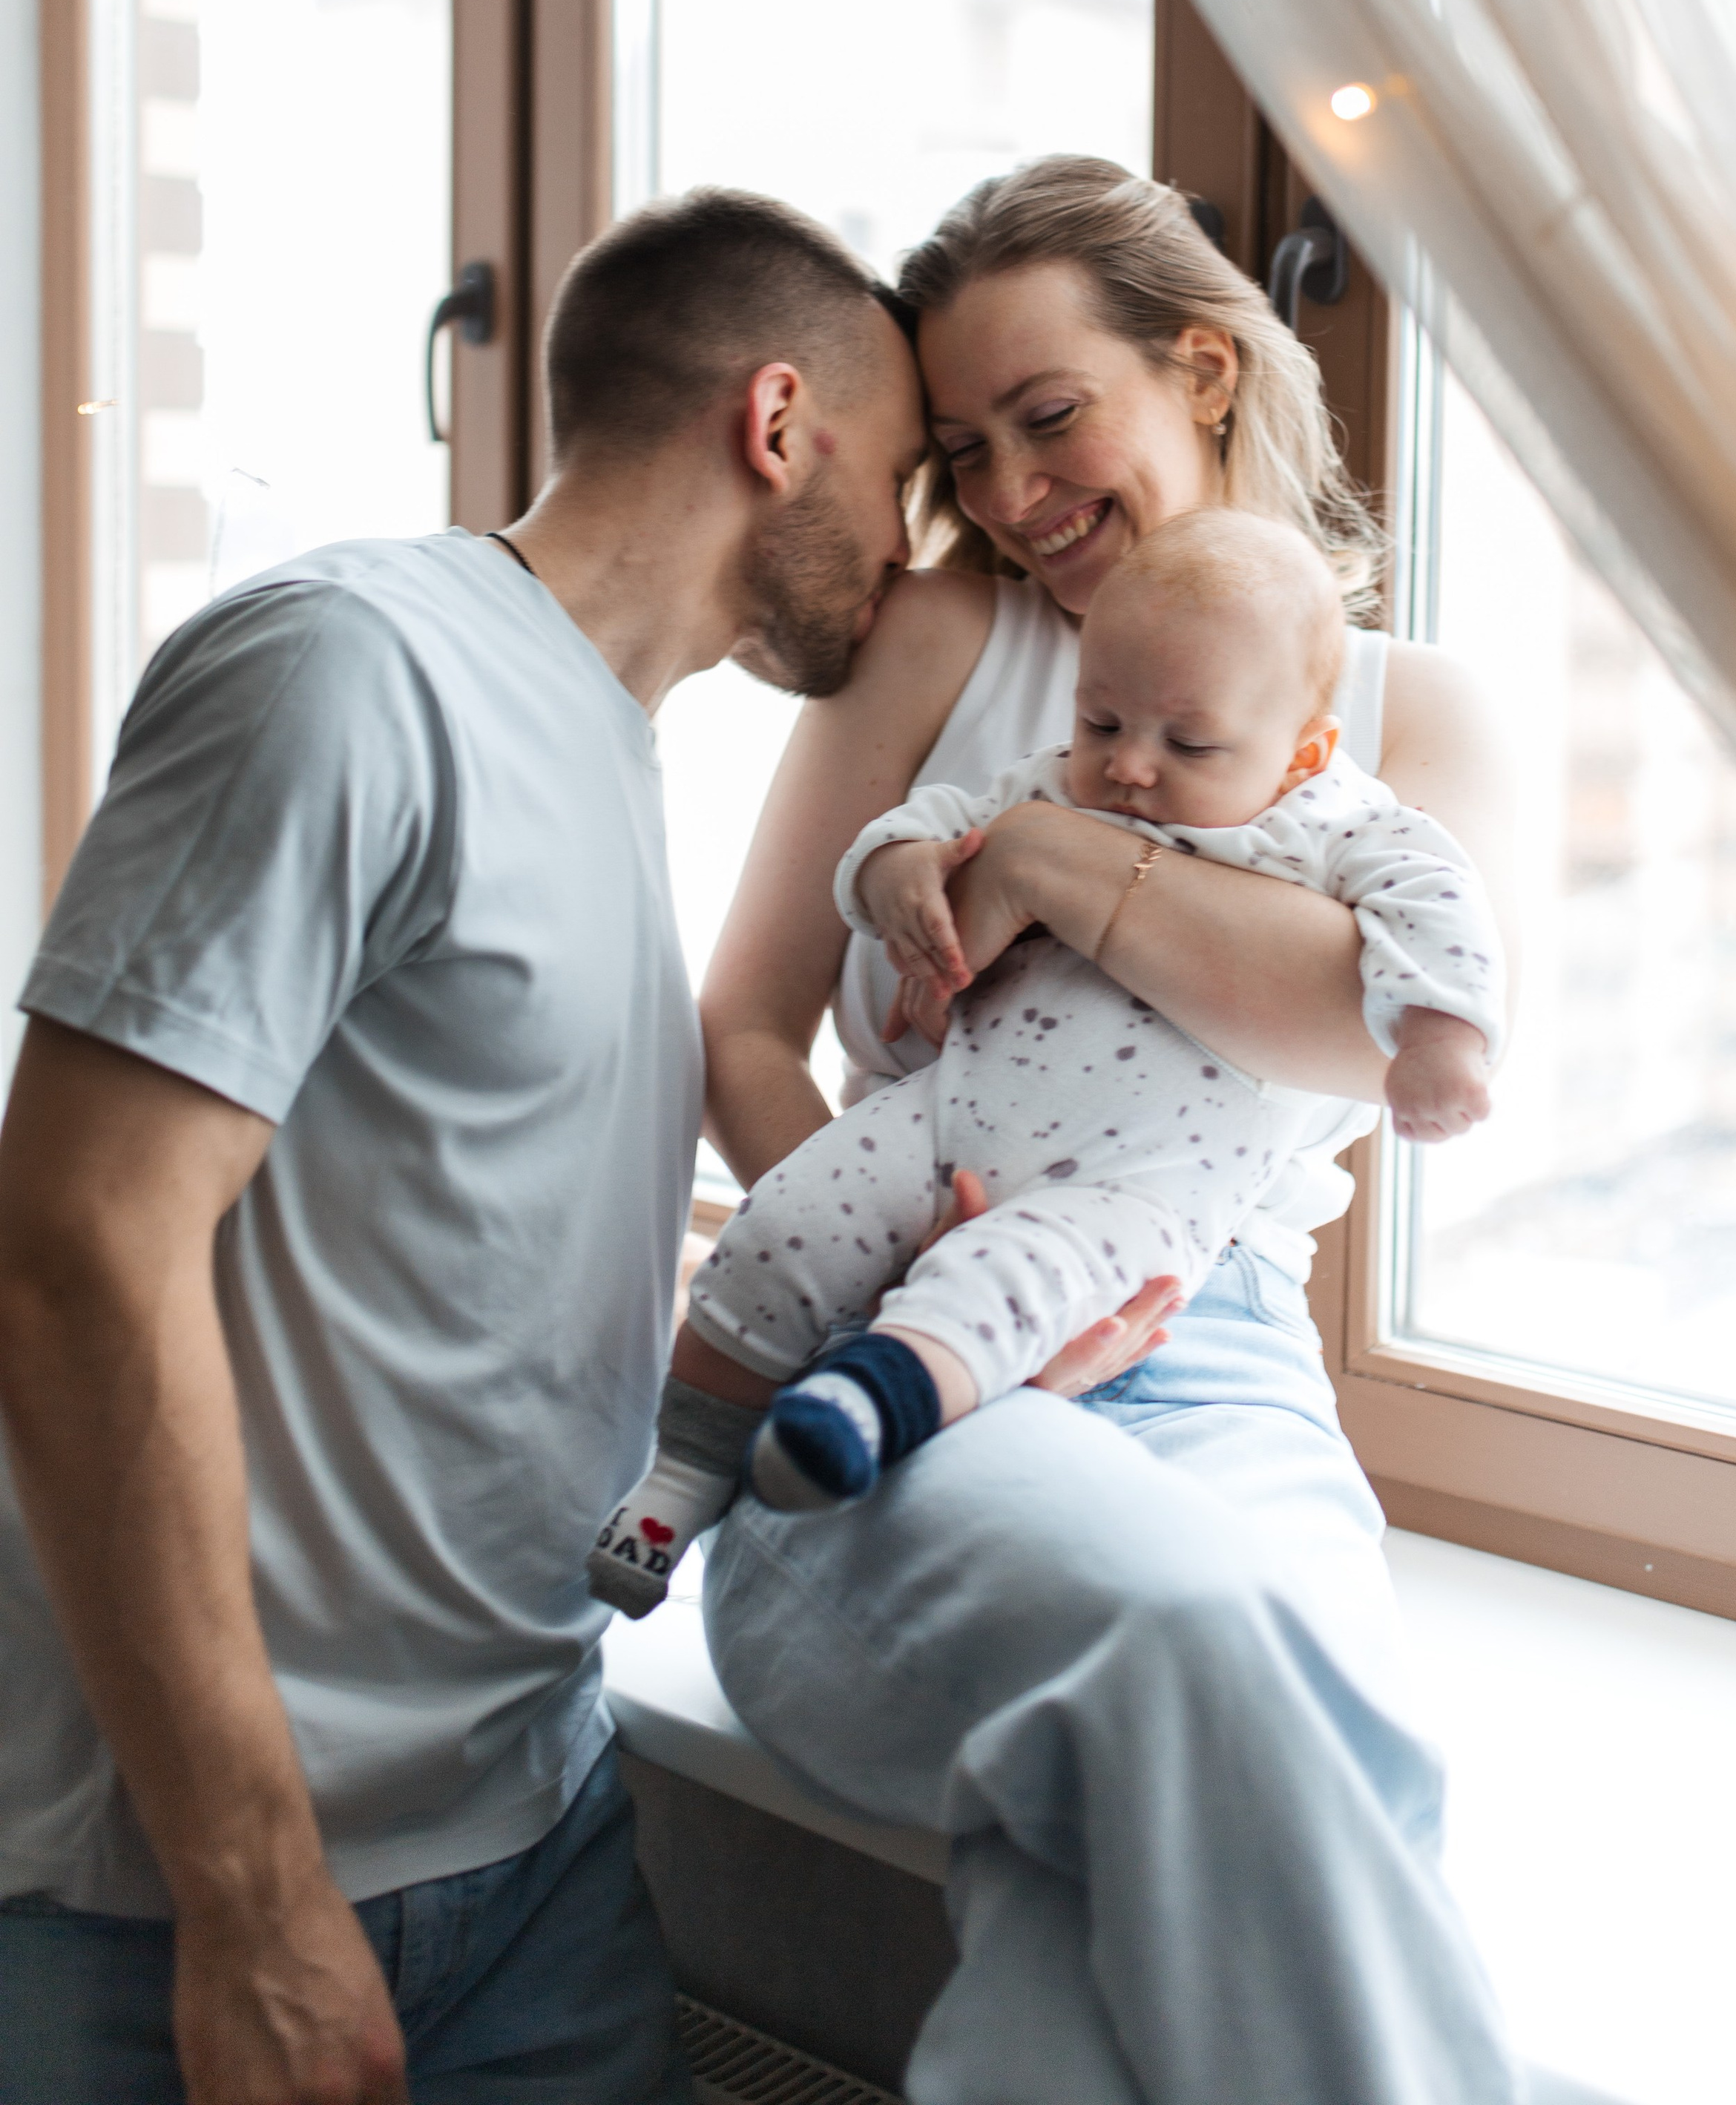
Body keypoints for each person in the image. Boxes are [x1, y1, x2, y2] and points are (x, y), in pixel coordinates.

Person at [0, 190, 926, 2105]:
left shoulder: (604, 747)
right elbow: (74, 1248)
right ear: (779, 425)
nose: (915, 556)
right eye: (905, 477)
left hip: (534, 1831)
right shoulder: (350, 667)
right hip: (188, 1897)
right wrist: (251, 1897)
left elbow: (451, 1260)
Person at [694, 157, 1526, 2103]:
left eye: (1051, 417)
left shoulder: (1422, 720)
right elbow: (739, 1020)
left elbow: (1349, 1020)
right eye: (966, 450)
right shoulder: (939, 643)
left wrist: (1056, 847)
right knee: (1224, 1664)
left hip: (1215, 1348)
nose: (1008, 495)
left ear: (1210, 372)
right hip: (890, 1367)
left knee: (1182, 1865)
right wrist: (880, 1271)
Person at [591, 507, 1502, 1603]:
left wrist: (1443, 1035)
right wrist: (898, 877)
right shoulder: (1051, 775)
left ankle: (865, 1406)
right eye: (1101, 722)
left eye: (1189, 745)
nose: (1129, 770)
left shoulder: (1333, 820)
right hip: (947, 1115)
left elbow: (1437, 904)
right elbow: (916, 827)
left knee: (1007, 1283)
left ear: (1305, 749)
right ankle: (682, 1466)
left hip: (1135, 1189)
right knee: (785, 1223)